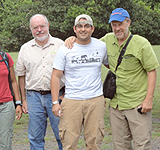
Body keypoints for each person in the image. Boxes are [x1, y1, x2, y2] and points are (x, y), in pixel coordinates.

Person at [65, 8, 159, 150]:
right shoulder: (107, 40)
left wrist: (148, 100)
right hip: (116, 105)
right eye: (114, 25)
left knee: (142, 145)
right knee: (120, 145)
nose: (117, 28)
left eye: (120, 24)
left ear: (128, 22)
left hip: (136, 103)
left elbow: (151, 71)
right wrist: (73, 39)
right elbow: (88, 44)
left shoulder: (141, 43)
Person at [51, 14, 108, 150]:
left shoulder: (101, 46)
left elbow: (111, 65)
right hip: (71, 100)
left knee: (94, 141)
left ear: (92, 29)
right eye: (80, 26)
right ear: (74, 29)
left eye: (87, 26)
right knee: (69, 142)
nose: (83, 29)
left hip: (95, 100)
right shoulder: (65, 48)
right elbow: (55, 76)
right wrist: (55, 103)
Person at [15, 14, 65, 150]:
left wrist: (65, 94)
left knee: (62, 135)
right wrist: (23, 100)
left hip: (57, 97)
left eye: (42, 26)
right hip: (34, 97)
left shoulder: (61, 45)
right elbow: (21, 75)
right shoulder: (25, 48)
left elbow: (70, 72)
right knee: (35, 138)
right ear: (31, 29)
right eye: (35, 27)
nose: (39, 30)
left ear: (48, 26)